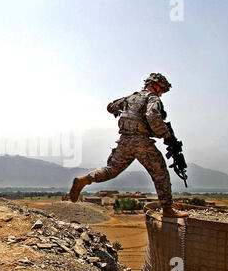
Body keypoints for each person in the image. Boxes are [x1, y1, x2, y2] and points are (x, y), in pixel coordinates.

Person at [69, 73, 188, 218]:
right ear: (156, 86)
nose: (161, 94)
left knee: (111, 169)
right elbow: (152, 116)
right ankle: (168, 210)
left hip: (124, 140)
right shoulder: (152, 98)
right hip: (141, 141)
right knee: (160, 174)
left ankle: (85, 179)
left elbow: (111, 107)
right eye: (161, 90)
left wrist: (126, 110)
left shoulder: (130, 97)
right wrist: (166, 135)